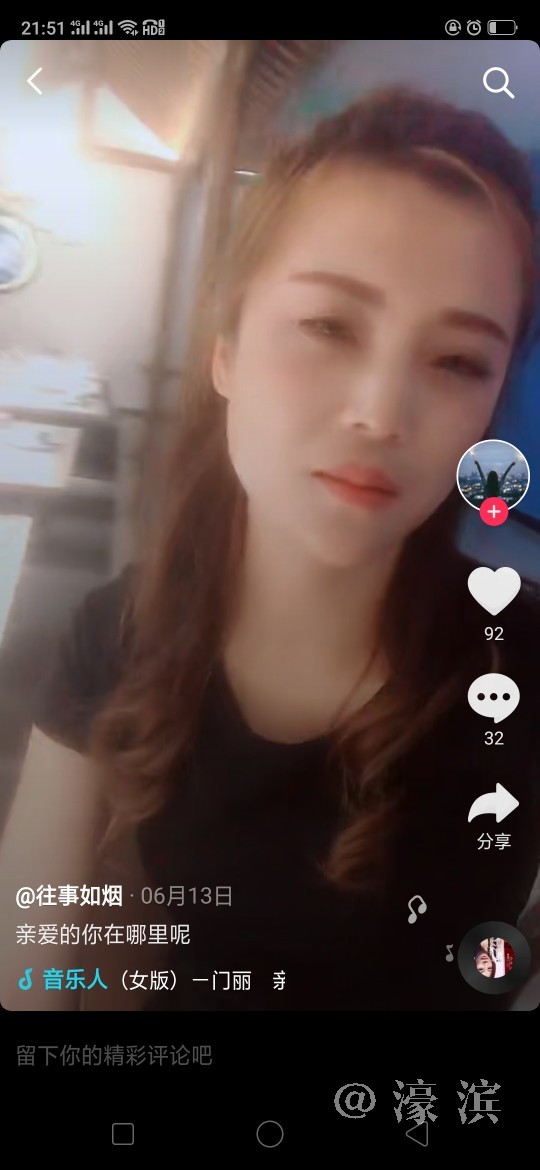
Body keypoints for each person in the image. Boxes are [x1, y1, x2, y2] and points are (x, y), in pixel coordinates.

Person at [1, 84, 540, 1013]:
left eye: (457, 361)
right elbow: (32, 970)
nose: (381, 412)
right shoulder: (116, 633)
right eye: (330, 325)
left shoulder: (520, 657)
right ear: (227, 348)